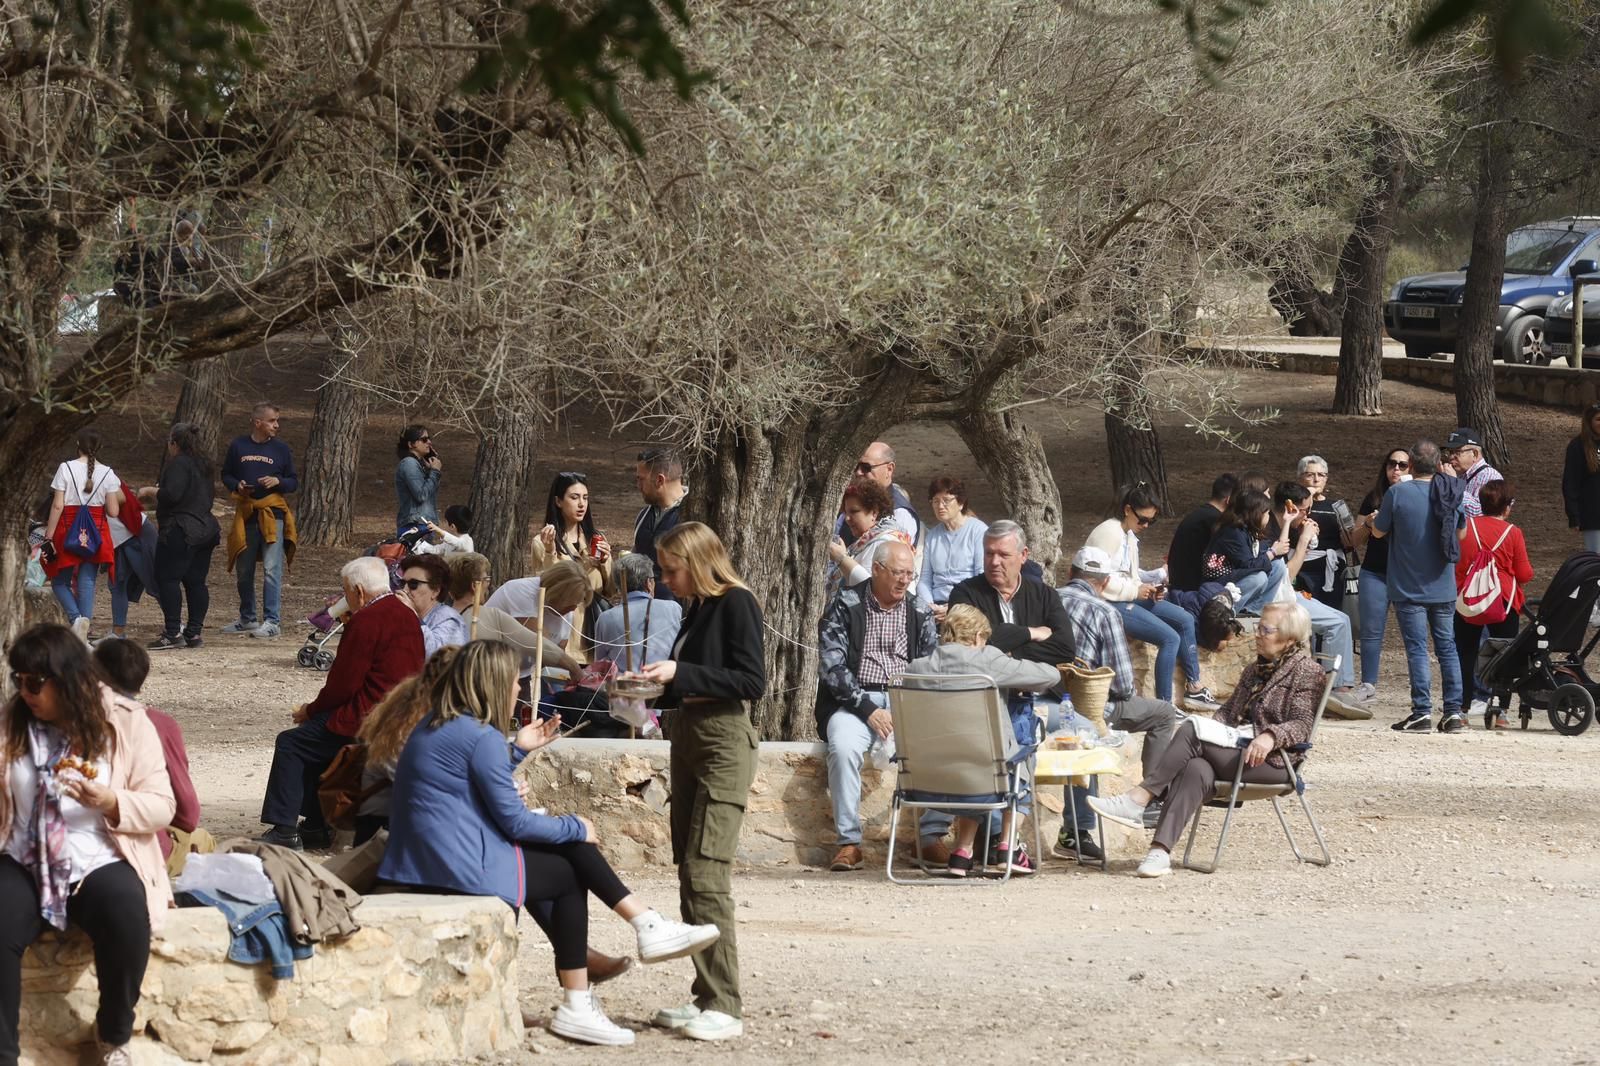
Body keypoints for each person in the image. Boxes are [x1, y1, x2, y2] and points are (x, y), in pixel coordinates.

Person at [378, 640, 720, 1047]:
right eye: (512, 683)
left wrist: (516, 751)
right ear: (491, 684)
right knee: (568, 866)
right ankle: (610, 965)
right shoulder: (478, 736)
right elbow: (515, 822)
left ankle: (635, 936)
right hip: (452, 868)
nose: (519, 690)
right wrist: (577, 826)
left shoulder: (441, 725)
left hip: (426, 859)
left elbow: (470, 787)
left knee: (565, 856)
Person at [0, 624, 175, 1065]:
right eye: (17, 680)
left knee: (126, 915)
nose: (25, 692)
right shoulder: (10, 725)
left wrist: (113, 800)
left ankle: (114, 1037)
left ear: (68, 678)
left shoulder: (127, 722)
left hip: (96, 853)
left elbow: (163, 805)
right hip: (22, 855)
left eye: (35, 682)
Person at [636, 522, 766, 1043]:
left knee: (707, 871)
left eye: (672, 569)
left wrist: (679, 673)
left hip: (722, 742)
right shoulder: (699, 608)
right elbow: (689, 679)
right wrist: (649, 686)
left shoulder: (736, 603)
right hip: (688, 736)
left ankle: (726, 1004)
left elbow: (750, 682)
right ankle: (706, 994)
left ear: (698, 561)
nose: (666, 580)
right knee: (689, 869)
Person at [1086, 600, 1324, 878]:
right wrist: (1217, 733)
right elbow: (1226, 712)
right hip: (1240, 748)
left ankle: (1140, 798)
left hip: (1272, 761)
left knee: (1190, 729)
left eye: (1266, 630)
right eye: (1258, 628)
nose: (1257, 634)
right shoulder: (1255, 669)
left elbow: (1302, 724)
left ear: (1289, 639)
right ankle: (1160, 852)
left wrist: (1271, 737)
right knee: (1195, 768)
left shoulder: (1308, 671)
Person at [258, 557, 424, 850]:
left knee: (292, 743)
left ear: (358, 591)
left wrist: (309, 710)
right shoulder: (406, 613)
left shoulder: (367, 619)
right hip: (401, 712)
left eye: (346, 591)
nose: (345, 598)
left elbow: (344, 684)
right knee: (313, 742)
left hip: (366, 716)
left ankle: (284, 828)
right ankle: (314, 825)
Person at [900, 605, 1061, 877]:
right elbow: (1050, 675)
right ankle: (1008, 848)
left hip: (926, 780)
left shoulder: (917, 669)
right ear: (976, 638)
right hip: (981, 777)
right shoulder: (987, 661)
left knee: (969, 760)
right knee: (1022, 758)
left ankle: (962, 853)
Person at [815, 542, 938, 874]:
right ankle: (849, 843)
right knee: (841, 747)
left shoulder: (920, 611)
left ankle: (931, 837)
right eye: (898, 573)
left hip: (906, 703)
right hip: (855, 703)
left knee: (942, 747)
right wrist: (867, 707)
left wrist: (906, 706)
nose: (904, 580)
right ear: (878, 569)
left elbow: (930, 668)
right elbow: (832, 668)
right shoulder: (845, 604)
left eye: (910, 574)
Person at [1055, 546, 1180, 862]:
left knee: (1086, 721)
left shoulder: (1047, 599)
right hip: (1088, 704)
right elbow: (1123, 684)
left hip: (1045, 697)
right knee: (1163, 714)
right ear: (1106, 581)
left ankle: (1076, 833)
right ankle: (1149, 800)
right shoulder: (1105, 611)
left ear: (1070, 573)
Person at [1084, 483, 1218, 709]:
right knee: (1169, 638)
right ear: (1127, 509)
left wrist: (1149, 586)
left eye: (1151, 521)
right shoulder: (1109, 532)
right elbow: (1096, 578)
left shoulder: (1128, 534)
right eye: (1143, 519)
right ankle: (1164, 706)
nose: (1146, 525)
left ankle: (1194, 688)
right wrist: (1135, 590)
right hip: (1106, 603)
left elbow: (1129, 575)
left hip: (1125, 597)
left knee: (1184, 619)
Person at [1371, 440, 1465, 733]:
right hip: (1444, 585)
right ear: (1439, 464)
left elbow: (1378, 531)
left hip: (1408, 585)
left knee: (1417, 649)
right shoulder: (1449, 493)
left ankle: (1421, 711)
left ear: (1410, 464)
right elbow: (1460, 534)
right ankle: (1453, 713)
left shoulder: (1397, 493)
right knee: (1447, 648)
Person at [91, 639, 203, 872]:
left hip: (84, 845)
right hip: (142, 849)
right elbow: (188, 815)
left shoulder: (71, 719)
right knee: (203, 840)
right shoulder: (156, 723)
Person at [1266, 483, 1365, 717]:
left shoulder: (1282, 525)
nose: (1308, 515)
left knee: (1340, 618)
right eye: (1305, 510)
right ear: (1290, 507)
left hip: (1283, 593)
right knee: (1337, 622)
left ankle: (1338, 687)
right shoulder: (1272, 529)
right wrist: (1303, 542)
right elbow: (1287, 575)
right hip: (1274, 599)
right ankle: (1335, 691)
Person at [1455, 480, 1532, 729]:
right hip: (1503, 600)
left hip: (1470, 600)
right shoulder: (1513, 533)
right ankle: (1499, 710)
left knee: (1465, 654)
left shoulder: (1467, 528)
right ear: (1507, 507)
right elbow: (1524, 574)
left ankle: (1462, 708)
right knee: (1504, 655)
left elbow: (1458, 565)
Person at [221, 403, 298, 640]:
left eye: (277, 420)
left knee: (272, 570)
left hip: (272, 515)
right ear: (257, 422)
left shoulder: (281, 449)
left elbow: (293, 481)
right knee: (244, 570)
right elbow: (227, 474)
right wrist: (238, 485)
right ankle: (247, 618)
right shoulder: (238, 446)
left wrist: (278, 483)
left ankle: (272, 621)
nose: (277, 425)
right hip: (246, 514)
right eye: (272, 420)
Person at [42, 431, 121, 641]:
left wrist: (48, 535)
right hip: (96, 532)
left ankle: (76, 620)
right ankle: (82, 632)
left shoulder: (65, 468)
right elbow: (113, 511)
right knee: (87, 582)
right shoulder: (108, 473)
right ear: (99, 448)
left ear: (77, 445)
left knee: (59, 581)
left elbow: (58, 504)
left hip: (67, 528)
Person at [448, 555, 583, 679]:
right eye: (486, 580)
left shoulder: (440, 618)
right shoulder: (492, 616)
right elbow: (537, 644)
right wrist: (574, 668)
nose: (488, 585)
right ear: (474, 586)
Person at [1346, 448, 1411, 703]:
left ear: (1411, 468)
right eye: (1391, 464)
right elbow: (1354, 540)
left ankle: (1419, 687)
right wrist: (1369, 525)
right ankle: (1368, 685)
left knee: (1412, 631)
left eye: (1403, 465)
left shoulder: (1417, 496)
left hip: (1406, 574)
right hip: (1375, 571)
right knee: (1371, 630)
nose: (1396, 469)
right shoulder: (1374, 498)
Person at [149, 423, 222, 652]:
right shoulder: (204, 465)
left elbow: (172, 495)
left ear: (174, 443)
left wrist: (151, 492)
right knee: (196, 581)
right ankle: (194, 632)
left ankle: (172, 632)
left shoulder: (178, 464)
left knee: (168, 578)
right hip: (205, 528)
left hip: (180, 528)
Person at [531, 473, 613, 661]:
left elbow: (610, 591)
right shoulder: (542, 542)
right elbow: (548, 592)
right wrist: (551, 552)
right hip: (562, 642)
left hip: (594, 639)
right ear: (558, 501)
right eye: (574, 497)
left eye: (585, 498)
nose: (582, 504)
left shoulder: (596, 539)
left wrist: (605, 562)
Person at [592, 553, 684, 670]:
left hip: (622, 685)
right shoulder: (673, 608)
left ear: (619, 585)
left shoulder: (605, 618)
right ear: (648, 583)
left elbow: (600, 665)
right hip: (663, 683)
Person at [1201, 491, 1287, 616]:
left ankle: (1254, 610)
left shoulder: (1250, 529)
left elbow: (1263, 555)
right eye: (1267, 513)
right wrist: (1272, 552)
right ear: (1257, 514)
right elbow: (1247, 565)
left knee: (1278, 566)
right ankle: (1227, 611)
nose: (1269, 518)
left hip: (1238, 575)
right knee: (1259, 578)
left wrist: (1287, 521)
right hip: (1219, 582)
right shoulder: (1233, 532)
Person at [825, 479, 912, 601]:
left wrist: (841, 558)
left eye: (854, 512)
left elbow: (872, 589)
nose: (847, 519)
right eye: (846, 513)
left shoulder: (886, 541)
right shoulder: (866, 540)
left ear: (874, 513)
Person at [917, 476, 988, 617]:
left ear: (961, 503)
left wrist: (953, 607)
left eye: (946, 500)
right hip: (936, 605)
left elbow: (981, 576)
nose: (940, 506)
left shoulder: (978, 531)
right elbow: (925, 579)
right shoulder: (932, 536)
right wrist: (930, 607)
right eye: (935, 501)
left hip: (967, 604)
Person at [633, 448, 688, 600]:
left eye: (641, 479)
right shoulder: (643, 516)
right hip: (643, 612)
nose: (638, 485)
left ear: (659, 480)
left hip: (678, 616)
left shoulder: (691, 516)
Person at [1167, 473, 1236, 592]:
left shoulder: (1199, 514)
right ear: (1228, 500)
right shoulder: (1216, 521)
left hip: (1179, 581)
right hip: (1193, 587)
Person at [1296, 455, 1347, 611]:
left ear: (1326, 479)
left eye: (1321, 475)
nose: (1316, 479)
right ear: (1300, 478)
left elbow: (1350, 541)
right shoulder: (1293, 505)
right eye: (1310, 474)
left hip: (1333, 571)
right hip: (1303, 572)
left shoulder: (1337, 506)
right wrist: (1308, 496)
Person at [399, 553, 469, 657]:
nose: (404, 590)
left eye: (413, 584)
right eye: (402, 583)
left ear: (435, 591)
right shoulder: (402, 617)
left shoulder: (450, 620)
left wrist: (412, 615)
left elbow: (436, 658)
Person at [853, 441, 920, 543]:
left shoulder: (900, 514)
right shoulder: (852, 502)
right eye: (856, 466)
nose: (858, 472)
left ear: (889, 469)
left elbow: (894, 556)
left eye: (866, 468)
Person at [1561, 402, 1600, 552]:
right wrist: (1574, 515)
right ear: (1589, 422)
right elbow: (1570, 483)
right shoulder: (1577, 446)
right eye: (1598, 419)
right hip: (1593, 515)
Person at [1445, 427, 1502, 520]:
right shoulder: (1460, 474)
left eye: (1457, 452)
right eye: (1450, 452)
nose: (1451, 457)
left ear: (1474, 454)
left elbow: (1479, 514)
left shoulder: (1490, 477)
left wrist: (1454, 484)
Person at [394, 424, 442, 534]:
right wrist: (435, 472)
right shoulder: (409, 464)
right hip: (415, 526)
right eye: (424, 439)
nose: (429, 442)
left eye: (429, 439)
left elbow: (429, 492)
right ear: (411, 444)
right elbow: (421, 495)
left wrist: (431, 469)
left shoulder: (419, 465)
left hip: (424, 525)